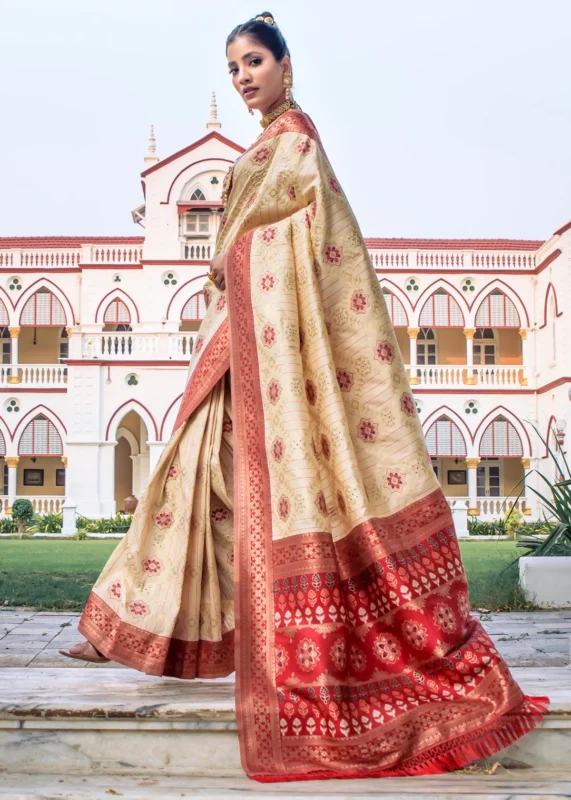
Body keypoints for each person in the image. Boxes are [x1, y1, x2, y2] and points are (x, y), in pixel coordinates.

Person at [60, 11, 547, 782]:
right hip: (240, 340)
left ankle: (138, 625)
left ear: (285, 66)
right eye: (233, 68)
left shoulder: (296, 142)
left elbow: (325, 244)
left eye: (254, 61)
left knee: (204, 474)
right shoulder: (258, 151)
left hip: (274, 349)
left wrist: (235, 256)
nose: (244, 76)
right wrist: (227, 263)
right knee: (188, 469)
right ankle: (120, 622)